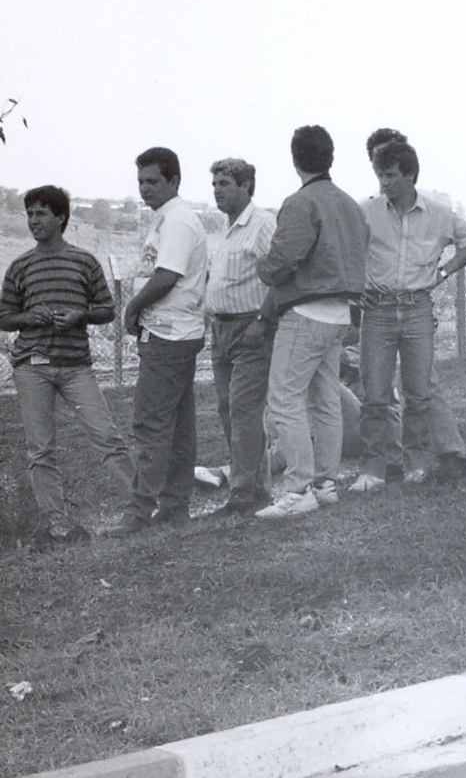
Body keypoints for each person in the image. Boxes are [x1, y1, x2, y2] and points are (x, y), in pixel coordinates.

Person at [0, 185, 132, 542]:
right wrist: (30, 317)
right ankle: (57, 525)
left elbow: (107, 310)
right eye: (29, 214)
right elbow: (4, 317)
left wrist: (80, 316)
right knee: (41, 449)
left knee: (107, 437)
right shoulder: (20, 265)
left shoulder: (84, 261)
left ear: (61, 217)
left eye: (41, 213)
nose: (33, 221)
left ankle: (141, 509)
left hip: (76, 367)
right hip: (32, 367)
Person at [254, 126, 368, 520]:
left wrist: (262, 267)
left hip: (305, 312)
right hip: (340, 313)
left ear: (294, 158)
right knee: (325, 401)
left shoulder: (300, 202)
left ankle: (298, 487)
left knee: (285, 400)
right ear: (330, 157)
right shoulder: (351, 205)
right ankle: (325, 483)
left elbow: (281, 262)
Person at [353, 139, 466, 490]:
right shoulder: (366, 211)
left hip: (417, 310)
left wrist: (446, 270)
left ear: (410, 175)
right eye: (380, 175)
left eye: (391, 175)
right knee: (375, 393)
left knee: (419, 392)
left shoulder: (439, 213)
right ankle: (374, 468)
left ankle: (417, 463)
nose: (384, 182)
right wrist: (357, 284)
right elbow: (347, 247)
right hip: (377, 310)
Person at [108, 147, 209, 536]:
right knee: (178, 425)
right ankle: (174, 505)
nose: (144, 189)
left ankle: (139, 512)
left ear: (174, 181)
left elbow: (167, 275)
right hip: (170, 331)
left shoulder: (179, 220)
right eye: (140, 182)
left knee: (150, 423)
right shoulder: (164, 219)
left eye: (152, 181)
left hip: (170, 333)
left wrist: (131, 308)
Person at [205, 158, 277, 516]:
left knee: (244, 410)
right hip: (221, 329)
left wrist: (262, 321)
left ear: (246, 186)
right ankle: (257, 487)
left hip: (250, 328)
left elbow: (279, 275)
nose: (217, 190)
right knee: (228, 409)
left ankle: (242, 494)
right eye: (214, 183)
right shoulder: (226, 229)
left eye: (224, 183)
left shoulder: (262, 224)